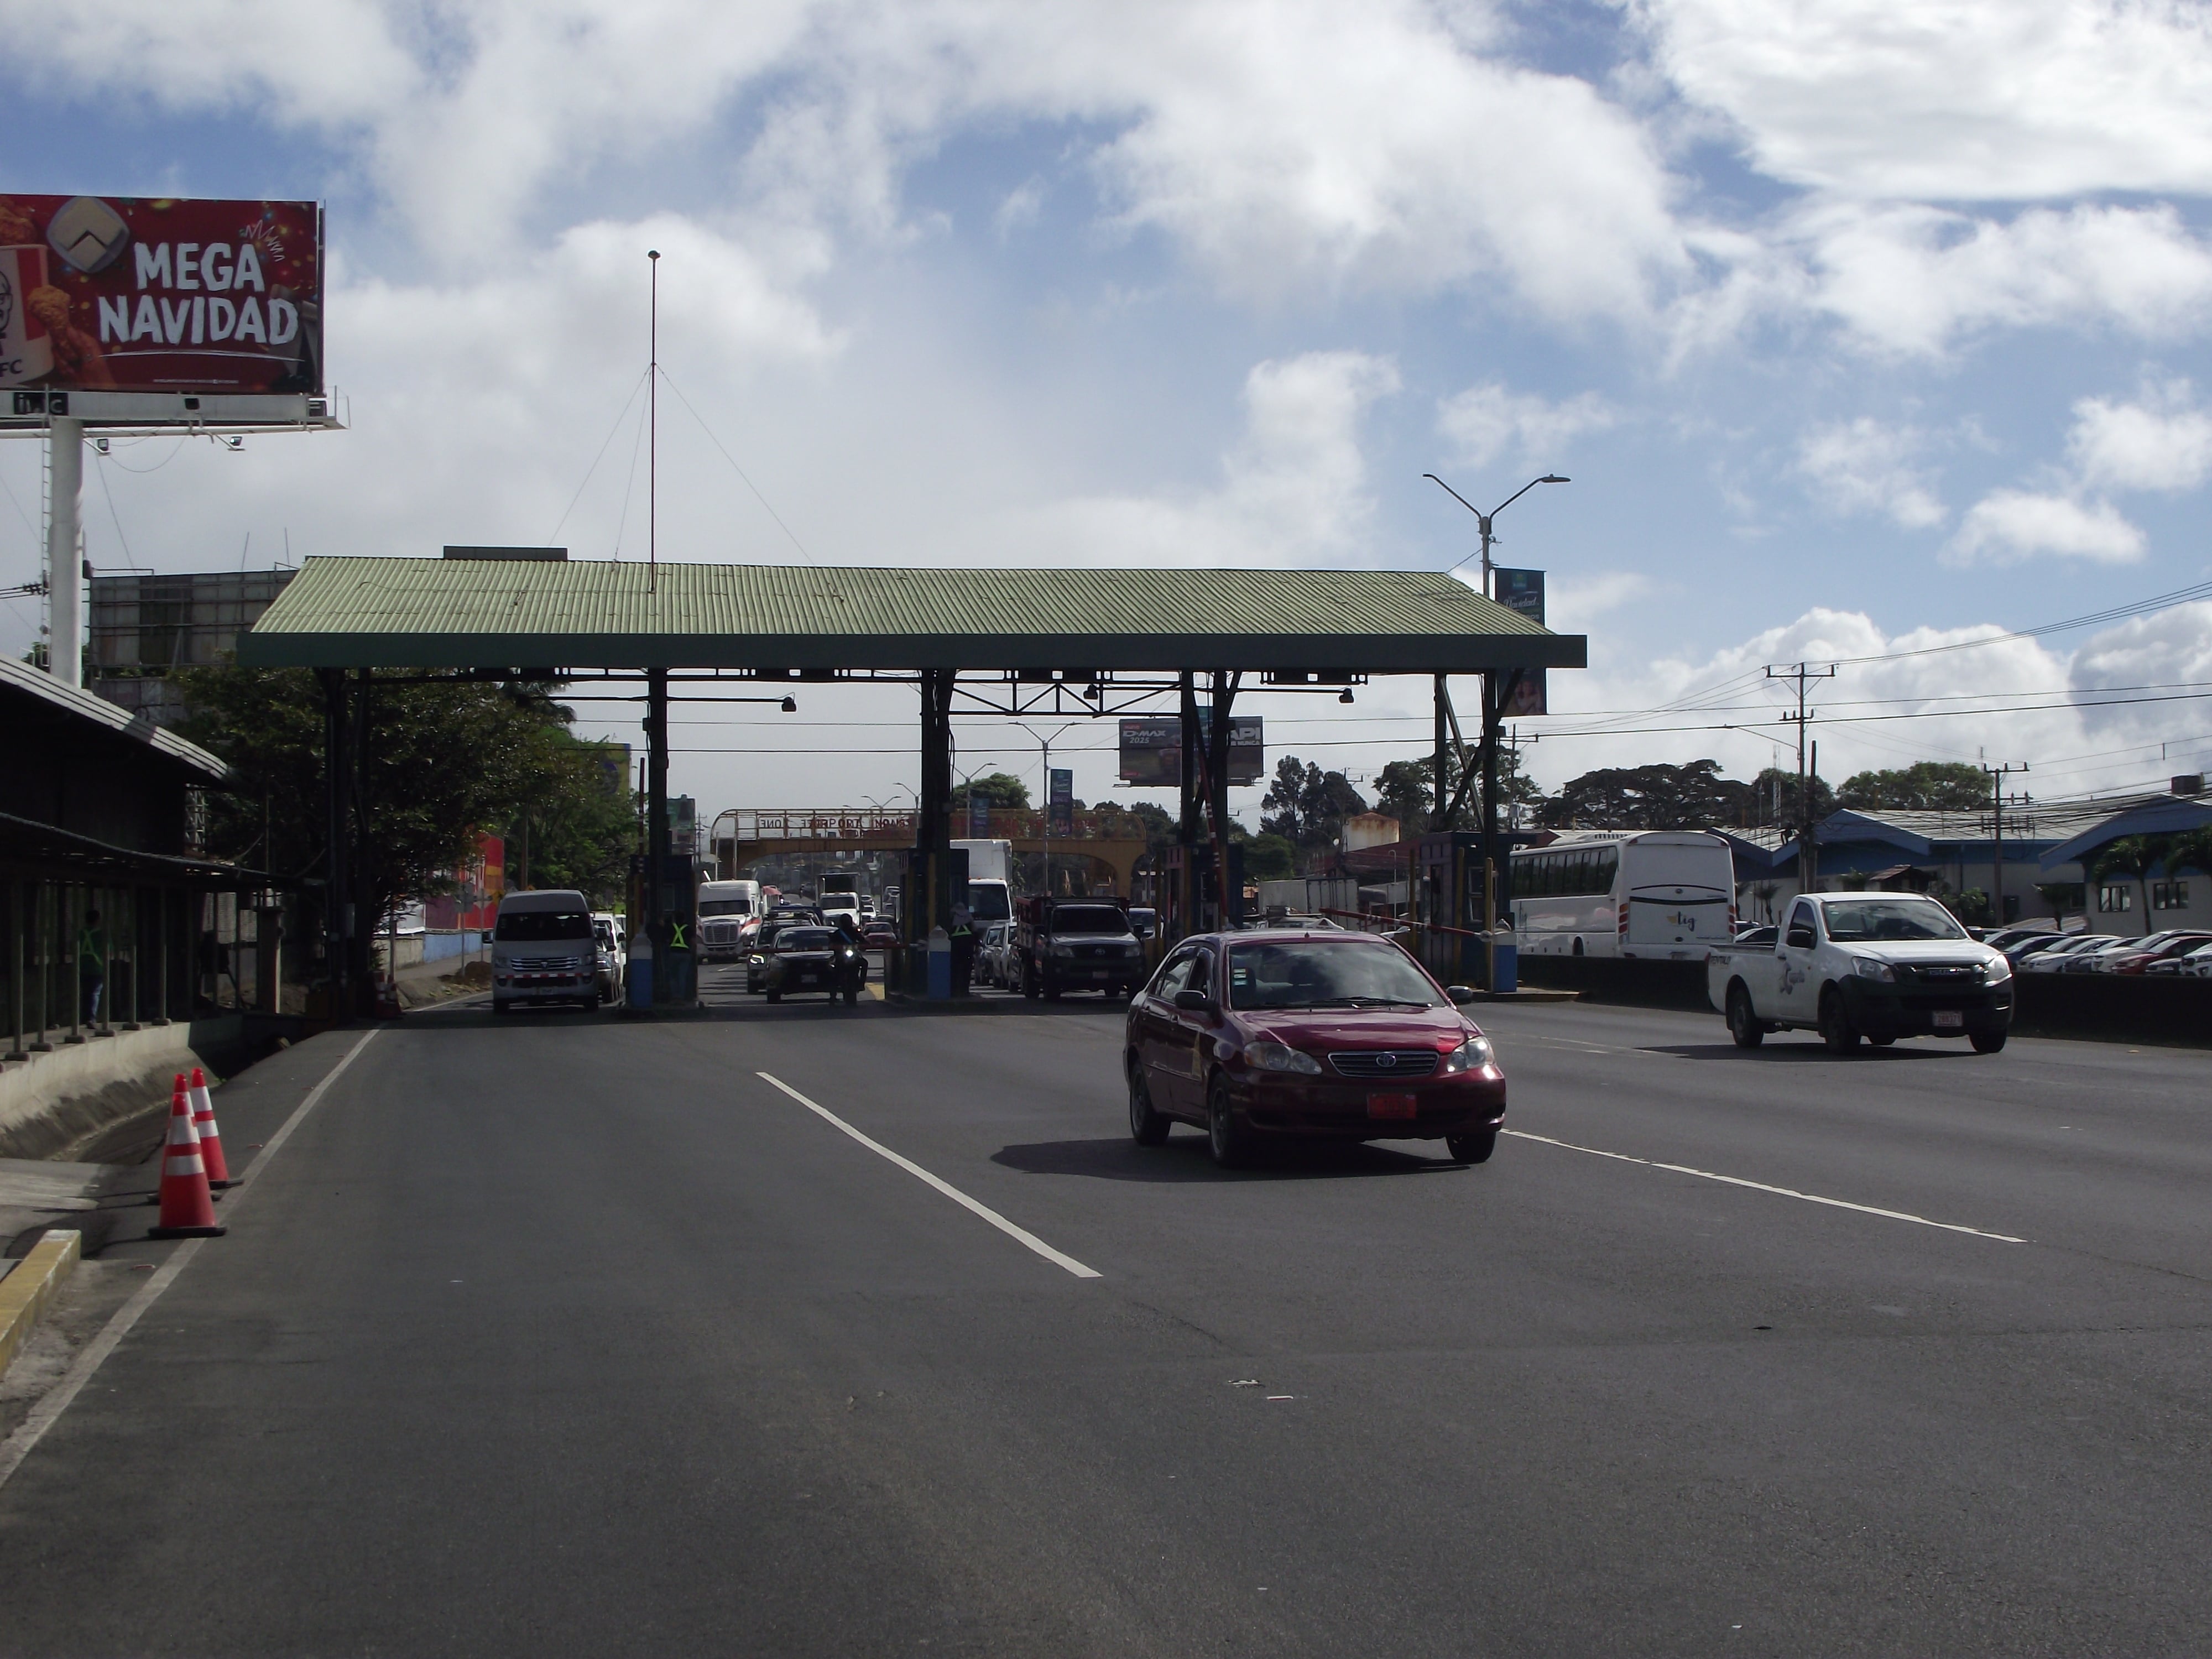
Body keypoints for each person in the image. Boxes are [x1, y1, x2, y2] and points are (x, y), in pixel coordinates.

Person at [78, 906, 107, 1024]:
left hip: (82, 966)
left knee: (85, 993)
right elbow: (109, 950)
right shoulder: (102, 934)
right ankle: (91, 1018)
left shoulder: (81, 933)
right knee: (95, 992)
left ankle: (83, 1018)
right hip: (97, 967)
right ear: (98, 920)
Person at [948, 902, 975, 997]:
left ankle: (954, 990)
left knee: (954, 969)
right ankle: (965, 990)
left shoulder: (952, 917)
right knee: (967, 969)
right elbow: (975, 930)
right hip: (968, 947)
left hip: (955, 946)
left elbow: (948, 931)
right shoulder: (969, 916)